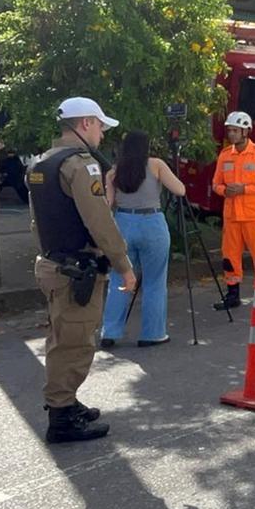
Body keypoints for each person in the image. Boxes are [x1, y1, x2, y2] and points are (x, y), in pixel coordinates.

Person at [28, 97, 136, 443]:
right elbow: (99, 223)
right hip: (76, 269)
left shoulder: (41, 162)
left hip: (53, 265)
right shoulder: (82, 165)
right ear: (86, 123)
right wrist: (124, 266)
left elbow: (38, 223)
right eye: (101, 126)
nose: (102, 134)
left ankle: (66, 403)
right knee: (74, 344)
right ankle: (61, 417)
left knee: (62, 338)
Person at [100, 131, 186, 348]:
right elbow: (180, 190)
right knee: (155, 282)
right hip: (152, 223)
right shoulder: (156, 164)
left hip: (123, 223)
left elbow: (107, 203)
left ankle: (110, 332)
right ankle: (153, 334)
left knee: (119, 280)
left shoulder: (114, 172)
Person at [211, 111, 255, 310]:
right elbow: (215, 184)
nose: (231, 134)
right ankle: (232, 296)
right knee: (230, 257)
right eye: (229, 130)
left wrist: (244, 190)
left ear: (246, 131)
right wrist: (225, 191)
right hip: (232, 216)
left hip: (254, 216)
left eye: (235, 130)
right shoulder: (224, 155)